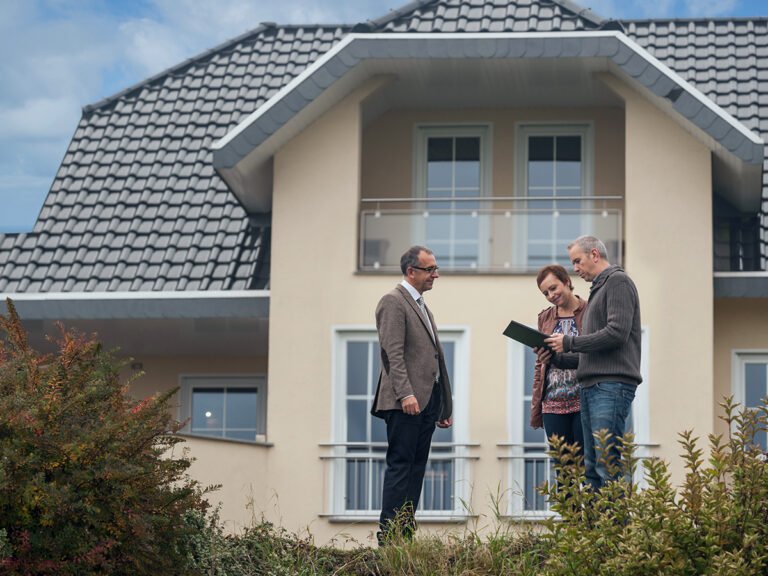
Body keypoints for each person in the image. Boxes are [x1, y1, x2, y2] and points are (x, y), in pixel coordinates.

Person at [543, 236, 641, 491]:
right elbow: (595, 351)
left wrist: (570, 342)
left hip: (610, 387)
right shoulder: (599, 289)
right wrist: (556, 355)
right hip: (593, 386)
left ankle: (615, 530)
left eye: (578, 261)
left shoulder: (618, 281)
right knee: (593, 468)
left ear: (594, 255)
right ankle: (599, 530)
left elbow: (617, 333)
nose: (575, 268)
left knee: (607, 464)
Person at [371, 245, 453, 544]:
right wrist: (406, 394)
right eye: (430, 269)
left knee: (417, 468)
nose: (436, 274)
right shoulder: (393, 301)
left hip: (427, 402)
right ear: (411, 271)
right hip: (404, 402)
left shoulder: (421, 305)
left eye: (435, 268)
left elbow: (433, 358)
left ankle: (404, 535)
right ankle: (389, 537)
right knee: (401, 465)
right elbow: (391, 353)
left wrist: (443, 405)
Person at [531, 264, 586, 457]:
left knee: (585, 464)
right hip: (552, 402)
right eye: (545, 293)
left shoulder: (591, 311)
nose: (551, 295)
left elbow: (594, 352)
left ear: (567, 282)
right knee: (563, 468)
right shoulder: (545, 317)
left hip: (584, 399)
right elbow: (540, 366)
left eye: (553, 288)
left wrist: (559, 357)